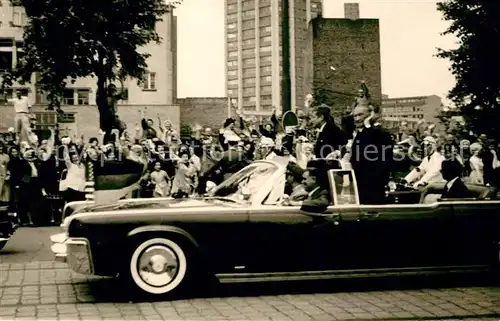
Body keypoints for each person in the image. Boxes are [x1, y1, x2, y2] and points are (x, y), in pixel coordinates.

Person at [350, 105, 393, 204]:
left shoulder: (381, 133)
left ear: (370, 115)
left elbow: (371, 149)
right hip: (360, 181)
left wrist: (368, 125)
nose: (357, 119)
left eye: (360, 115)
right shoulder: (361, 133)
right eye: (355, 116)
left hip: (374, 182)